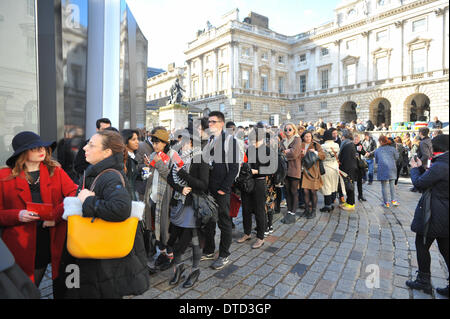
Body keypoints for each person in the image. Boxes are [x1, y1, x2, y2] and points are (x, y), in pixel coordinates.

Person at [62, 130, 149, 298]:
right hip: (101, 259)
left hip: (104, 265)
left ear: (107, 152)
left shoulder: (109, 176)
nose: (85, 148)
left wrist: (88, 200)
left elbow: (121, 208)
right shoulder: (97, 172)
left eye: (91, 145)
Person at [0, 132, 78, 292]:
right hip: (18, 244)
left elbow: (74, 194)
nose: (41, 150)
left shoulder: (56, 171)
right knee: (20, 290)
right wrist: (17, 215)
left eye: (42, 146)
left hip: (49, 238)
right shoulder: (4, 176)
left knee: (39, 285)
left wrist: (55, 216)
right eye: (34, 148)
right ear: (23, 153)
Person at [406, 134, 449, 297]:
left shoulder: (441, 165)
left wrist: (415, 169)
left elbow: (420, 183)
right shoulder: (444, 164)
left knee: (422, 244)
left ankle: (423, 281)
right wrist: (423, 169)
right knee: (446, 248)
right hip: (445, 213)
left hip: (435, 213)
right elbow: (435, 179)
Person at [166, 128, 208, 288]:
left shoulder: (200, 158)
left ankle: (195, 269)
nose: (179, 143)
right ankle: (178, 267)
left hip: (192, 204)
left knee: (192, 237)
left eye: (182, 140)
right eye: (178, 140)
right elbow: (170, 177)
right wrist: (179, 188)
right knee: (176, 236)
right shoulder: (177, 158)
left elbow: (203, 184)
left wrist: (184, 176)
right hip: (178, 203)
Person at [203, 111, 240, 270]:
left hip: (221, 190)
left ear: (221, 123)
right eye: (209, 122)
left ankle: (224, 254)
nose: (210, 124)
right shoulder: (210, 139)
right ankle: (210, 250)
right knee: (209, 221)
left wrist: (224, 189)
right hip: (209, 188)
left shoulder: (230, 140)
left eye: (213, 122)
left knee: (224, 222)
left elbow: (234, 167)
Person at [143, 128, 176, 271]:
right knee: (155, 225)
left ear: (164, 143)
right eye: (153, 142)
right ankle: (162, 253)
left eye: (158, 142)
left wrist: (158, 163)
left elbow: (173, 177)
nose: (155, 145)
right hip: (152, 195)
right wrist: (147, 166)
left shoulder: (173, 155)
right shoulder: (152, 154)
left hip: (166, 196)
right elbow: (151, 174)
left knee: (165, 226)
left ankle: (170, 255)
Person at [237, 126, 271, 249]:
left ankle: (260, 237)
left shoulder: (267, 150)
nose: (252, 143)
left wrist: (257, 171)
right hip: (247, 181)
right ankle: (247, 233)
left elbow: (272, 168)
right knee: (245, 209)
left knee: (259, 210)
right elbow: (245, 163)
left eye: (254, 140)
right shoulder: (250, 149)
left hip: (259, 182)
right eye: (251, 140)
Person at [299, 130, 325, 219]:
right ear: (303, 137)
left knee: (313, 191)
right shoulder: (300, 144)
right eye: (306, 136)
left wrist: (315, 152)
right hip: (304, 171)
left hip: (313, 172)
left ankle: (313, 211)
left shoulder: (315, 145)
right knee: (305, 191)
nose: (308, 138)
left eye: (309, 136)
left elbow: (323, 155)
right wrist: (301, 154)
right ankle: (306, 210)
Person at [280, 123, 302, 224]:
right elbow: (279, 152)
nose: (287, 131)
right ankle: (289, 211)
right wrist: (286, 151)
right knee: (287, 191)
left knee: (293, 191)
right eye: (286, 130)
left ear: (294, 130)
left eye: (290, 129)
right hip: (285, 169)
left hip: (294, 169)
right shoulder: (283, 140)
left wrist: (285, 152)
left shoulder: (297, 139)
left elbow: (294, 153)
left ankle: (293, 213)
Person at [374, 136, 399, 208]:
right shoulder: (393, 149)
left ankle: (386, 202)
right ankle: (394, 200)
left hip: (382, 168)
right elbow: (397, 157)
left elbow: (376, 160)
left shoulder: (378, 150)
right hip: (392, 168)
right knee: (392, 185)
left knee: (384, 186)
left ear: (381, 142)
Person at [319, 129, 341, 213]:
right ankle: (332, 203)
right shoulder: (337, 145)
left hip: (326, 167)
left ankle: (327, 205)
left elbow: (321, 157)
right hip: (335, 167)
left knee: (327, 186)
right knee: (333, 186)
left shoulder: (322, 146)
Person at [338, 130, 358, 211]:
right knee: (348, 185)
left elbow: (345, 158)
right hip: (349, 168)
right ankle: (348, 201)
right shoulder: (349, 143)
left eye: (342, 135)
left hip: (348, 168)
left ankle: (351, 204)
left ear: (344, 136)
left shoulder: (347, 144)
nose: (341, 137)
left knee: (349, 185)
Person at [121, 129, 141, 201]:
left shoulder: (135, 156)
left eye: (137, 139)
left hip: (133, 194)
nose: (137, 142)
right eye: (133, 139)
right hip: (127, 197)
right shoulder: (124, 159)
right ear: (126, 141)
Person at [354, 134, 367, 201]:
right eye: (355, 139)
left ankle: (360, 195)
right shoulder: (351, 145)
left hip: (358, 166)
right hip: (352, 165)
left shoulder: (360, 145)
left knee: (359, 182)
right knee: (351, 182)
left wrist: (360, 150)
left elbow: (364, 153)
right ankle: (351, 196)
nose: (356, 141)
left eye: (357, 140)